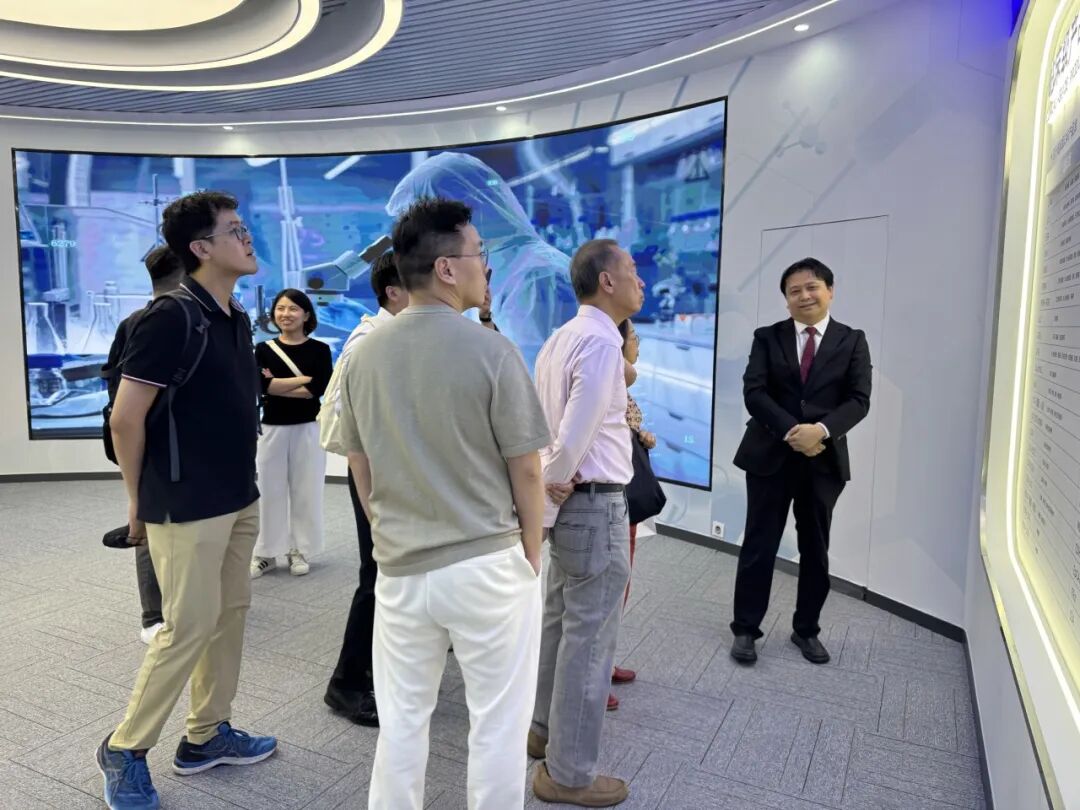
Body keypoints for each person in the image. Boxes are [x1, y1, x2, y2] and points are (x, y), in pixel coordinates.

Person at [338, 197, 550, 809]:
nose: (487, 266)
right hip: (487, 563)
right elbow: (526, 468)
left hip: (400, 568)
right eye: (480, 253)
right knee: (498, 725)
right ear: (447, 268)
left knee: (402, 722)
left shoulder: (361, 355)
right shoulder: (492, 350)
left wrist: (386, 533)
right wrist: (530, 553)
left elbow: (359, 463)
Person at [96, 191, 276, 810]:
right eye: (234, 230)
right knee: (188, 627)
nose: (247, 238)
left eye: (244, 227)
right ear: (201, 248)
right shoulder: (169, 318)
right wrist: (136, 502)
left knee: (230, 615)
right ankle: (125, 747)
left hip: (237, 493)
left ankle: (206, 734)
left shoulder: (235, 314)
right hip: (184, 500)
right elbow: (126, 420)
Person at [529, 239, 645, 807]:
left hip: (572, 508)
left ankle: (540, 731)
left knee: (560, 622)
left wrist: (546, 505)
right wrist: (553, 489)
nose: (640, 282)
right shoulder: (600, 343)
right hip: (595, 505)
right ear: (606, 281)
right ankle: (569, 774)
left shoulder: (560, 337)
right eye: (632, 271)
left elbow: (541, 424)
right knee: (591, 640)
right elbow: (573, 435)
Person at [729, 257, 872, 665]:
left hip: (823, 461)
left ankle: (806, 629)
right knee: (759, 544)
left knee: (815, 548)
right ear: (786, 299)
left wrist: (820, 431)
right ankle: (745, 629)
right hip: (769, 455)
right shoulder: (767, 337)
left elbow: (859, 400)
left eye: (812, 287)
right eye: (795, 291)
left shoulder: (852, 340)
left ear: (830, 290)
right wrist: (796, 432)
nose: (804, 296)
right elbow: (754, 392)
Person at [324, 250, 408, 728]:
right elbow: (356, 437)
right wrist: (373, 507)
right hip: (377, 483)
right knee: (375, 578)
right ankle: (347, 684)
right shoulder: (369, 343)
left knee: (392, 579)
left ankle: (379, 671)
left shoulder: (396, 336)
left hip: (398, 479)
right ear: (393, 292)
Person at [100, 245, 186, 646]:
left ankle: (176, 609)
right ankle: (154, 615)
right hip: (157, 446)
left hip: (182, 447)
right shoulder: (149, 324)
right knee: (150, 526)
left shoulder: (141, 322)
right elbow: (123, 408)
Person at [250, 288, 333, 578]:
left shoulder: (320, 350)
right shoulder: (263, 349)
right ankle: (266, 552)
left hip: (308, 428)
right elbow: (262, 387)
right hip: (271, 428)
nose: (286, 314)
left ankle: (299, 549)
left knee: (306, 490)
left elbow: (317, 389)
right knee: (269, 491)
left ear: (306, 314)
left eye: (293, 309)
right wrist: (302, 380)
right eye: (281, 308)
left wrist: (279, 385)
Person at [605, 318, 659, 706]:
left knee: (618, 585)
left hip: (626, 502)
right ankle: (591, 678)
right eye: (634, 337)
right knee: (606, 590)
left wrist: (640, 437)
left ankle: (603, 663)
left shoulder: (621, 389)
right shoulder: (606, 387)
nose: (637, 343)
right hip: (609, 501)